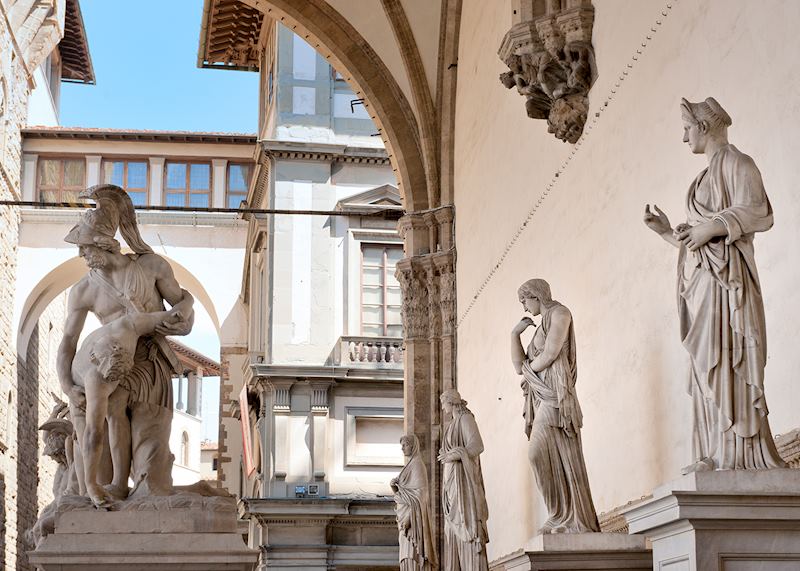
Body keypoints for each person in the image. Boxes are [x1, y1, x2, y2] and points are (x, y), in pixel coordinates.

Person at [643, 97, 785, 472]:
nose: (683, 136)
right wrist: (666, 233)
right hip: (703, 287)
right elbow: (696, 247)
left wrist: (712, 226)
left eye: (687, 128)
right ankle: (714, 450)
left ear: (704, 127)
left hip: (729, 288)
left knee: (729, 359)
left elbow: (758, 212)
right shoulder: (702, 178)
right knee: (706, 366)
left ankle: (739, 453)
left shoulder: (739, 164)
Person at [57, 184, 195, 500]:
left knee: (151, 470)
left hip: (150, 366)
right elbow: (68, 342)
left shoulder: (151, 267)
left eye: (85, 247)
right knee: (105, 474)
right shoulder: (83, 291)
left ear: (106, 244)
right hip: (111, 370)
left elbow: (183, 315)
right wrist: (68, 386)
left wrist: (184, 311)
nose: (81, 254)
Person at [510, 278, 600, 534]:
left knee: (538, 453)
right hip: (542, 395)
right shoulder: (538, 328)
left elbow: (551, 353)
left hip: (556, 395)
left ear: (537, 296)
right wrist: (514, 334)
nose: (525, 308)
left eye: (525, 301)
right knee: (542, 456)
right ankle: (559, 515)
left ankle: (570, 516)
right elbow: (519, 367)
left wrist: (529, 370)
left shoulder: (560, 313)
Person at [71, 308, 183, 506]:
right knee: (87, 441)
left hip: (119, 366)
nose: (112, 385)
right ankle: (87, 488)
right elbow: (93, 433)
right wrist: (91, 484)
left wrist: (186, 304)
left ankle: (120, 484)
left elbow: (174, 315)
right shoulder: (95, 380)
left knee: (116, 411)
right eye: (110, 381)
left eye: (116, 379)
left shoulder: (131, 326)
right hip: (79, 397)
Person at [438, 389, 489, 571]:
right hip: (451, 482)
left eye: (444, 402)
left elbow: (477, 446)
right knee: (453, 529)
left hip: (463, 483)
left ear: (451, 402)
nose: (442, 406)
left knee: (465, 523)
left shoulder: (466, 419)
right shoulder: (452, 424)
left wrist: (454, 455)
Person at [391, 434, 437, 571]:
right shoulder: (409, 466)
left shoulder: (417, 465)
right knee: (405, 557)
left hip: (412, 521)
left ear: (413, 445)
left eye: (405, 445)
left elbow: (421, 495)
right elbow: (404, 494)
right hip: (404, 520)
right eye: (402, 446)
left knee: (412, 556)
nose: (402, 448)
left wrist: (410, 517)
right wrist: (394, 487)